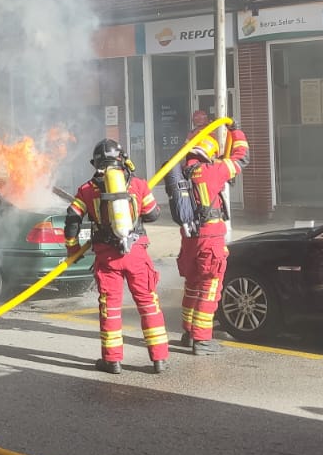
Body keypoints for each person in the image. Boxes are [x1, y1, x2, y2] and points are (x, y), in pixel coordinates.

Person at [64, 139, 170, 374]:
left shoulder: (86, 189)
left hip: (107, 257)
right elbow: (153, 215)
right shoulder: (138, 184)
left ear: (96, 163)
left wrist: (72, 249)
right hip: (136, 254)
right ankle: (159, 359)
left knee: (110, 307)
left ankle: (112, 361)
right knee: (148, 303)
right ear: (122, 159)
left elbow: (72, 218)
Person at [174, 128, 250, 355]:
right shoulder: (212, 170)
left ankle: (188, 333)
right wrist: (236, 132)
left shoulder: (182, 172)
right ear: (209, 153)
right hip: (210, 238)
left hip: (190, 239)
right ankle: (202, 340)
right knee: (209, 289)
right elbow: (242, 157)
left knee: (192, 287)